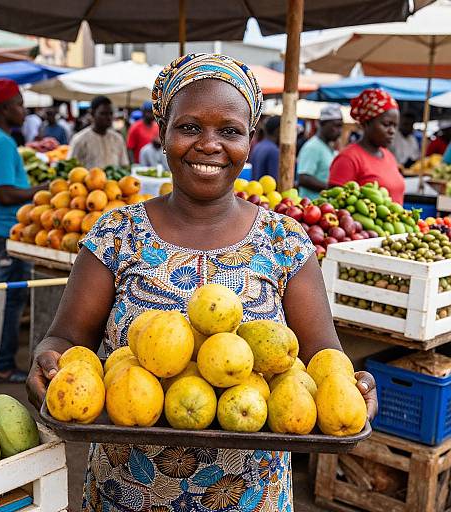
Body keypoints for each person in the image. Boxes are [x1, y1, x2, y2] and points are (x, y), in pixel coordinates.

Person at [26, 53, 377, 511]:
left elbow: (322, 359)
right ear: (163, 133)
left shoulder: (285, 240)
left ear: (250, 141)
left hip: (252, 495)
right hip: (126, 490)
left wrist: (355, 386)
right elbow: (65, 337)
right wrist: (47, 361)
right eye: (190, 127)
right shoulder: (116, 234)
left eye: (229, 131)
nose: (209, 144)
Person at [0, 78, 48, 383]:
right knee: (12, 300)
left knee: (9, 298)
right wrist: (43, 190)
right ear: (5, 108)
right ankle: (4, 364)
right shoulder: (1, 142)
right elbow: (5, 193)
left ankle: (1, 360)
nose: (23, 109)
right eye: (19, 103)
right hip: (5, 233)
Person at [329, 88, 405, 204]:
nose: (392, 131)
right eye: (386, 124)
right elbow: (333, 205)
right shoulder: (348, 158)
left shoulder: (389, 156)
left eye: (395, 126)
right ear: (366, 123)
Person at [69, 96, 128, 170]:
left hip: (115, 181)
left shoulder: (118, 139)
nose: (109, 117)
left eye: (110, 113)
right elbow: (71, 168)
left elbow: (124, 165)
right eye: (104, 114)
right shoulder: (80, 140)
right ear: (92, 114)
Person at [298, 104, 343, 199]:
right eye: (336, 126)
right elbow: (304, 178)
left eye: (341, 126)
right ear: (322, 124)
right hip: (311, 208)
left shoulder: (329, 147)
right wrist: (332, 189)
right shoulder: (312, 147)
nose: (340, 131)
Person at [249, 115, 280, 180]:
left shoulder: (258, 146)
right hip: (266, 189)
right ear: (278, 130)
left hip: (255, 188)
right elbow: (274, 180)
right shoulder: (273, 150)